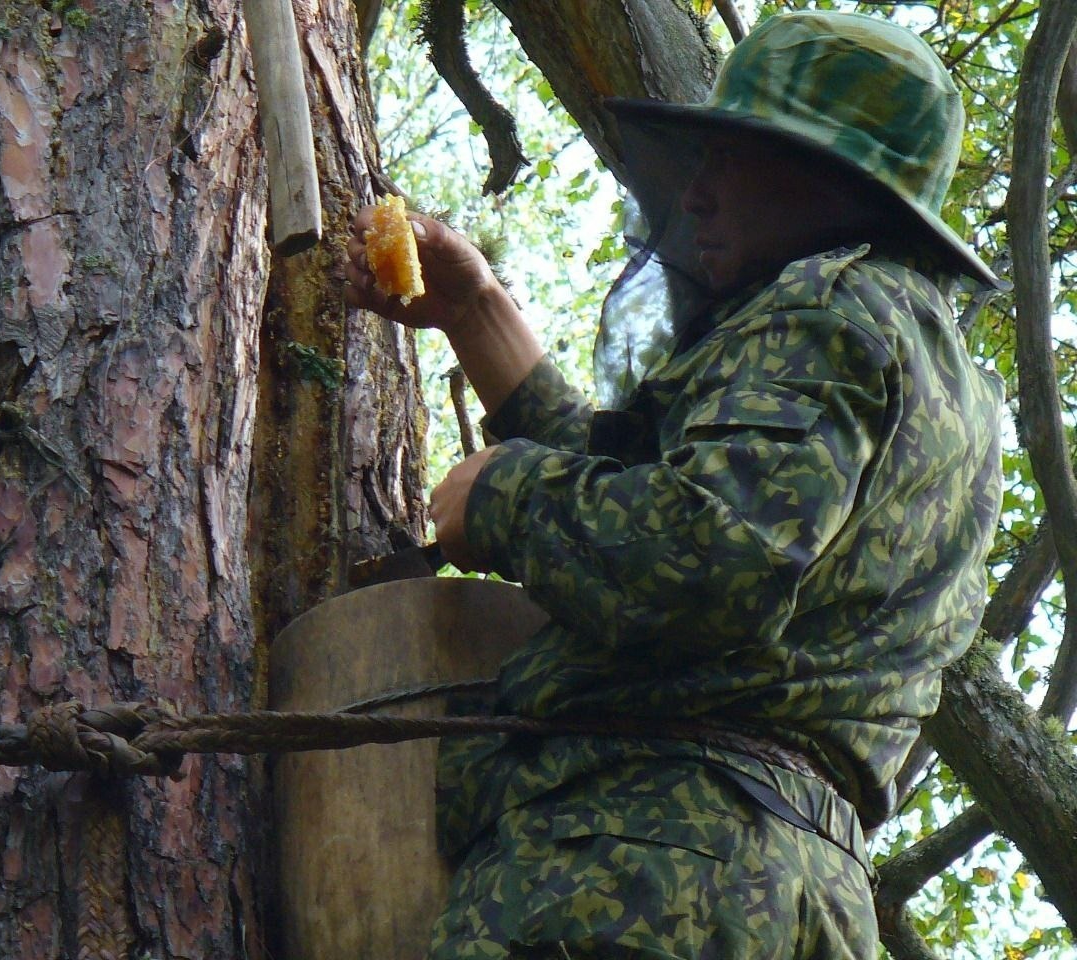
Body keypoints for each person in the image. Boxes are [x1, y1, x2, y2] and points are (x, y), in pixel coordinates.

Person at [345, 11, 1004, 959]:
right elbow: (687, 505)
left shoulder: (825, 308)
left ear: (829, 176)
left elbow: (707, 561)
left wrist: (507, 493)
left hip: (646, 877)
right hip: (786, 890)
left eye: (728, 158)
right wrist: (479, 315)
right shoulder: (930, 365)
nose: (693, 195)